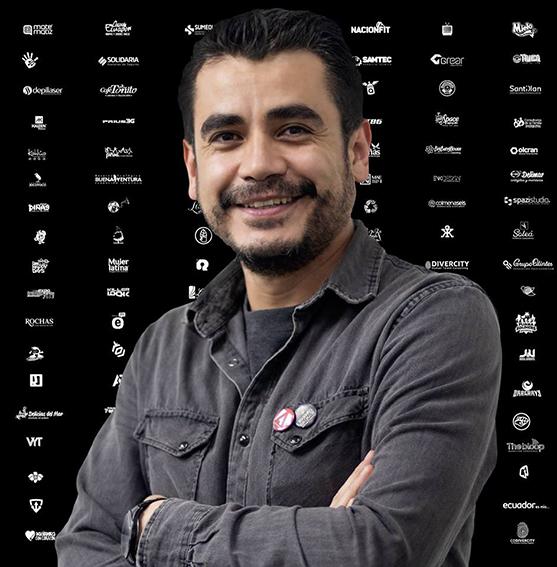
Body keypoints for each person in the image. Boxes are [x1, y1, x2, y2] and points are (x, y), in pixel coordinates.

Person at [56, 8, 501, 567]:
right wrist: (322, 539)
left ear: (357, 150)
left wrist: (157, 530)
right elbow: (86, 547)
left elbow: (383, 550)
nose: (259, 165)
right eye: (227, 137)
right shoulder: (163, 346)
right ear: (193, 169)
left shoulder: (435, 319)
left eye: (293, 129)